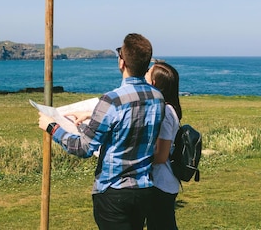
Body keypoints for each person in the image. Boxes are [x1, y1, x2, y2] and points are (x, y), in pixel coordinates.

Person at [38, 33, 164, 230]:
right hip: (144, 188)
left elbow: (83, 148)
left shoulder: (111, 100)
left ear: (122, 62)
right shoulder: (158, 98)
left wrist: (53, 128)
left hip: (113, 190)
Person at [145, 61, 182, 230]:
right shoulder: (166, 109)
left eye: (147, 73)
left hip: (161, 183)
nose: (143, 75)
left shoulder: (166, 112)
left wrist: (132, 157)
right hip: (162, 183)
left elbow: (161, 155)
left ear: (154, 83)